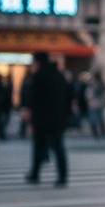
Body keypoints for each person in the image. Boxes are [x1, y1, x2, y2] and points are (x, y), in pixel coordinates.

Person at [21, 51, 71, 186]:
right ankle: (62, 176)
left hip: (42, 117)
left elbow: (32, 97)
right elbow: (69, 96)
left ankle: (35, 174)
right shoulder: (59, 75)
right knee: (58, 147)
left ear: (37, 62)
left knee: (39, 146)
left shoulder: (38, 76)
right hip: (57, 117)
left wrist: (28, 111)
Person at [86, 71, 105, 139]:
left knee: (93, 120)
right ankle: (103, 133)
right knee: (101, 119)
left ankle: (95, 133)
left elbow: (89, 95)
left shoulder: (92, 85)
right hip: (100, 104)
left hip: (93, 104)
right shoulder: (102, 85)